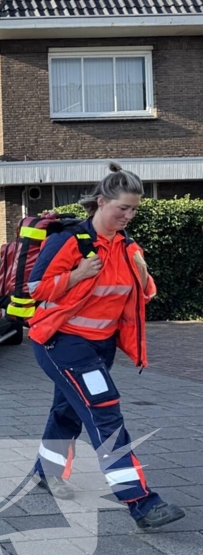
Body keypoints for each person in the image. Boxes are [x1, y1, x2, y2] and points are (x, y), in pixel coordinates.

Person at [27, 163, 184, 530]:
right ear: (101, 202)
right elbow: (35, 289)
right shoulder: (69, 241)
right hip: (61, 342)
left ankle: (46, 472)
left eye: (134, 210)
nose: (128, 216)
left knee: (68, 410)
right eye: (122, 208)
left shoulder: (128, 247)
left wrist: (143, 274)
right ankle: (141, 502)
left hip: (101, 347)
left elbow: (144, 292)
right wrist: (76, 275)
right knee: (104, 412)